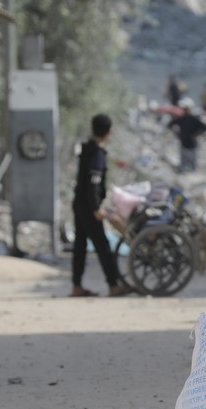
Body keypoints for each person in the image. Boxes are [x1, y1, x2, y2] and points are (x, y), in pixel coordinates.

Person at [71, 114, 132, 298]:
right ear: (109, 132)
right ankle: (113, 285)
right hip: (89, 207)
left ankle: (76, 286)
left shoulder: (88, 149)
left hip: (79, 203)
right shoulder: (97, 153)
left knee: (80, 245)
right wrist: (97, 207)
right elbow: (94, 183)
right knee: (103, 246)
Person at [168, 102, 206, 173]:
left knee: (192, 165)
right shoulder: (181, 119)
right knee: (183, 165)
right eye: (185, 109)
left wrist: (196, 134)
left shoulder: (194, 119)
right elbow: (170, 125)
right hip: (184, 144)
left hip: (192, 144)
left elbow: (205, 127)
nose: (186, 110)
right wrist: (177, 134)